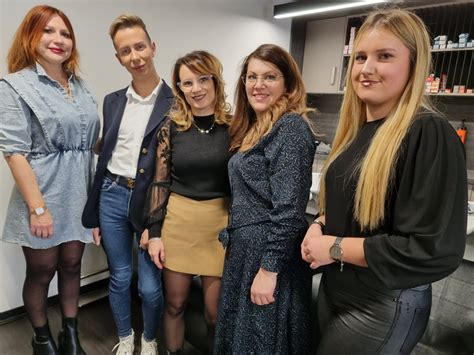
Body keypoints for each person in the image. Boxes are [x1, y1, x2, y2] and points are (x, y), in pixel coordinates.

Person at [301, 9, 467, 354]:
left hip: (381, 306)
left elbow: (430, 250)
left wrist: (333, 247)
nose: (366, 68)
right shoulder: (358, 132)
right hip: (337, 290)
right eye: (360, 57)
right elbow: (352, 211)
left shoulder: (428, 132)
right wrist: (318, 225)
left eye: (385, 56)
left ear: (414, 63)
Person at [0, 5, 100, 355]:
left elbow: (89, 142)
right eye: (48, 31)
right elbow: (14, 152)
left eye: (65, 33)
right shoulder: (14, 85)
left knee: (72, 265)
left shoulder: (80, 86)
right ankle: (42, 337)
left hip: (79, 193)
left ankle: (69, 334)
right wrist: (37, 208)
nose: (59, 39)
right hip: (42, 194)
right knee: (42, 272)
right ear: (31, 36)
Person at [214, 44, 316, 354]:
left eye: (269, 77)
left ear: (288, 84)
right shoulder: (255, 127)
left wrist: (269, 270)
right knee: (242, 337)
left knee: (261, 341)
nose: (258, 85)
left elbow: (289, 211)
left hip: (267, 255)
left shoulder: (291, 128)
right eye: (252, 77)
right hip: (246, 253)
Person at [81, 14, 173, 355]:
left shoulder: (176, 103)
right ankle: (125, 337)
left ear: (152, 47)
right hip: (111, 195)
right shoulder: (113, 100)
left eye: (139, 47)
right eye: (125, 51)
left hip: (150, 201)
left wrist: (158, 222)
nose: (135, 56)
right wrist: (94, 214)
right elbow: (104, 157)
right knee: (119, 276)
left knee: (149, 286)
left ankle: (149, 339)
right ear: (118, 58)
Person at [141, 50, 231, 355]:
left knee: (214, 312)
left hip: (219, 225)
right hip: (178, 222)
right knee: (175, 303)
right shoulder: (172, 126)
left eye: (203, 79)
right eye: (187, 83)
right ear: (179, 89)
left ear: (216, 81)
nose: (196, 89)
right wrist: (154, 233)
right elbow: (160, 181)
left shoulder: (235, 126)